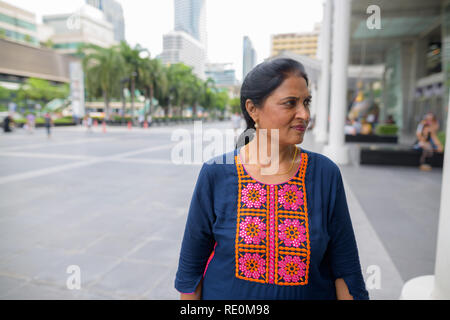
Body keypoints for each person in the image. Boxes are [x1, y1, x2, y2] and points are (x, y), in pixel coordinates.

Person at [175, 58, 369, 300]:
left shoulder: (325, 174)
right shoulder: (216, 173)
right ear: (253, 109)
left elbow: (345, 266)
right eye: (290, 103)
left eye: (306, 102)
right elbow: (191, 268)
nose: (305, 114)